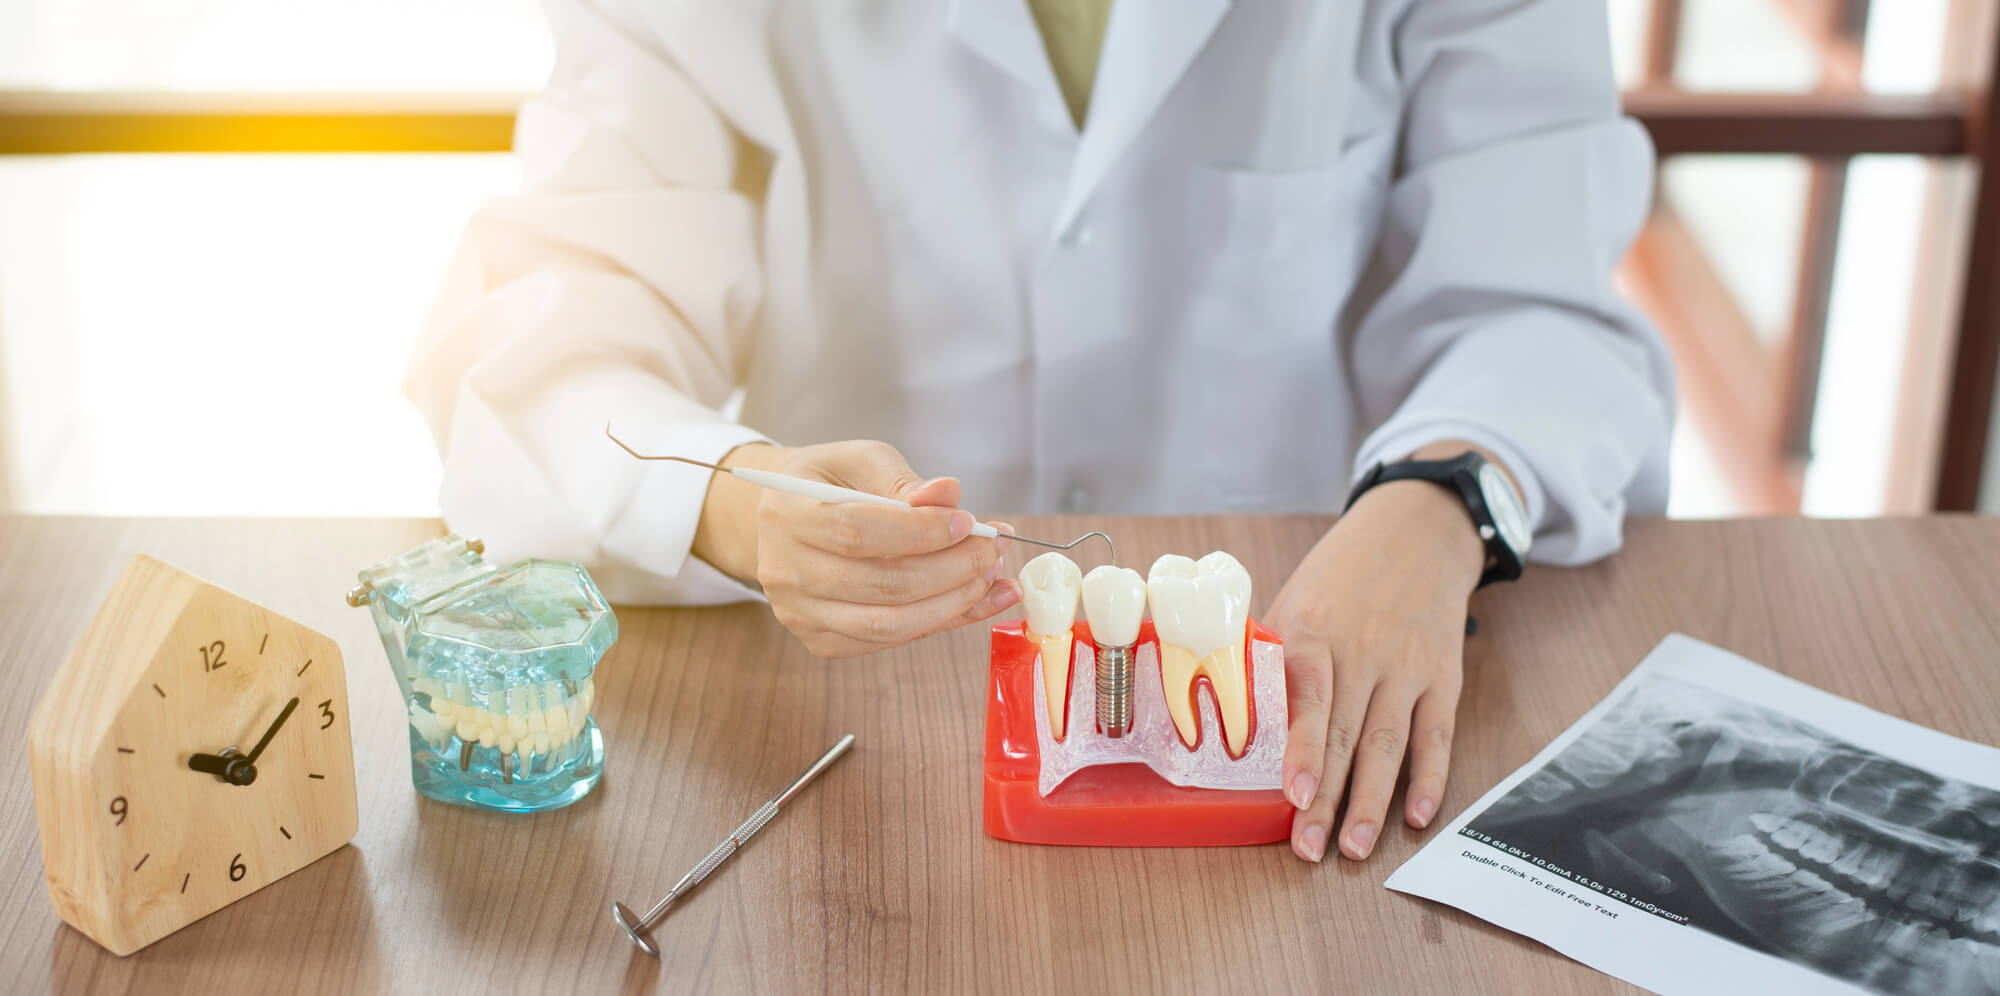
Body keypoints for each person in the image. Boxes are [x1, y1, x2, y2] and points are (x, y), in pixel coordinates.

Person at [407, 0, 1674, 866]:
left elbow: (1540, 299)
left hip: (1315, 653)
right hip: (858, 725)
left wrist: (1436, 503)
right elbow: (551, 334)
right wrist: (738, 503)